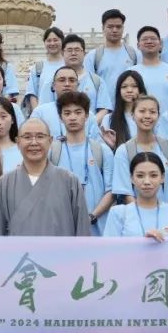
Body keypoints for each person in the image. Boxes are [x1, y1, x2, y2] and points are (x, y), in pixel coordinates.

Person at [0, 118, 90, 333]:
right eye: (27, 137)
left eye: (39, 137)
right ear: (17, 142)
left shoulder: (69, 181)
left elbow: (83, 236)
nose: (33, 142)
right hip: (18, 282)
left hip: (60, 281)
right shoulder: (5, 183)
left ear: (50, 140)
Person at [104, 152, 168, 333]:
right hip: (130, 296)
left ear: (162, 178)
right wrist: (140, 245)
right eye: (140, 175)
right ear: (131, 178)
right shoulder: (119, 213)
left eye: (153, 175)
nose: (147, 182)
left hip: (167, 298)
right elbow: (109, 256)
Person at [53, 91, 114, 235]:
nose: (72, 117)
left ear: (87, 116)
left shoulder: (102, 150)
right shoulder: (53, 151)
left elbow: (111, 191)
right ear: (60, 118)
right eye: (67, 113)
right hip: (62, 229)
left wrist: (91, 216)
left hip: (98, 229)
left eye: (78, 112)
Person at [111, 96, 168, 206]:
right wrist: (143, 215)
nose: (147, 116)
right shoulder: (124, 151)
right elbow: (126, 193)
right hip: (137, 218)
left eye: (152, 112)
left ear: (158, 116)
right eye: (142, 111)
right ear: (132, 115)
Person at [30, 66, 102, 140]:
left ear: (78, 85)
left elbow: (97, 144)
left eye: (72, 80)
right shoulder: (40, 113)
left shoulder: (88, 115)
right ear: (53, 86)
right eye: (62, 80)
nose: (67, 84)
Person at [129, 25, 168, 117]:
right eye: (145, 39)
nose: (149, 41)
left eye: (153, 38)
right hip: (140, 126)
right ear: (138, 45)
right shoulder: (131, 73)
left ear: (161, 44)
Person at [84, 9, 140, 90]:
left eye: (118, 27)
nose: (114, 30)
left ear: (123, 28)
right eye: (110, 27)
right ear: (103, 28)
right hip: (103, 102)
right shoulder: (93, 56)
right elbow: (89, 86)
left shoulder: (135, 54)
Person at [61, 34, 111, 121]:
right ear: (62, 53)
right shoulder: (54, 81)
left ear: (84, 53)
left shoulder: (97, 81)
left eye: (77, 50)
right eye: (69, 50)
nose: (73, 53)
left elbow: (104, 109)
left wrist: (88, 125)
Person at [100, 70, 147, 148]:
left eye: (134, 86)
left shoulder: (149, 117)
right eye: (124, 87)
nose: (129, 90)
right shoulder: (108, 119)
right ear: (119, 91)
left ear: (141, 89)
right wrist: (112, 146)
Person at [23, 27, 66, 114]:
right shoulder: (38, 67)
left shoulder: (68, 65)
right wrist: (37, 114)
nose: (52, 43)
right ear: (44, 43)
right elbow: (32, 94)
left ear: (62, 41)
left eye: (55, 40)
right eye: (49, 40)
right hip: (44, 115)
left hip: (66, 114)